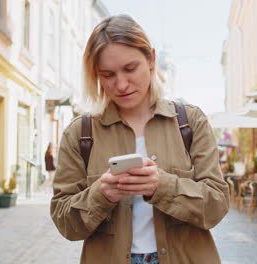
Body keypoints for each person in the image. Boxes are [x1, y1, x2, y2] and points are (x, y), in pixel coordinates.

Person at [50, 15, 229, 264]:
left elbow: (217, 206)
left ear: (151, 59)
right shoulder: (80, 134)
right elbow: (65, 223)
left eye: (130, 68)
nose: (121, 84)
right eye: (108, 74)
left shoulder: (190, 122)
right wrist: (100, 195)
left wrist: (162, 186)